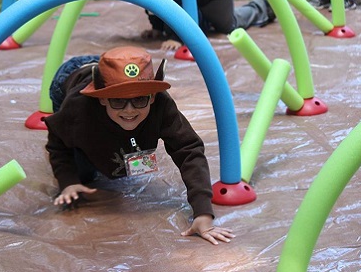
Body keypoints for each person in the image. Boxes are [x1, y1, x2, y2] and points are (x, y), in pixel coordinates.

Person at [44, 46, 234, 245]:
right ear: (102, 98)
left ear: (152, 97)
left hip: (116, 72)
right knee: (85, 173)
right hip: (72, 75)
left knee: (123, 146)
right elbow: (58, 142)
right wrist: (68, 181)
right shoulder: (79, 108)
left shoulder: (161, 104)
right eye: (118, 101)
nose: (129, 110)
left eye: (139, 100)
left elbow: (189, 150)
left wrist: (203, 213)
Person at [124, 0, 275, 51]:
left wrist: (177, 38)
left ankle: (264, 4)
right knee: (172, 19)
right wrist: (157, 27)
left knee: (228, 27)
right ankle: (200, 20)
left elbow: (179, 1)